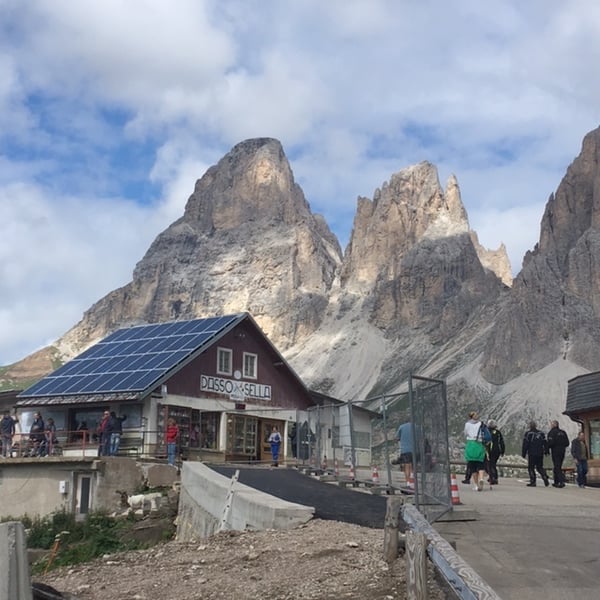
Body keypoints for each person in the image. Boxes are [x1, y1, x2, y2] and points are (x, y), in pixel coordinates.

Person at [464, 412, 487, 491]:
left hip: (471, 443)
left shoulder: (467, 424)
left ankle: (476, 484)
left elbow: (465, 433)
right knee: (480, 464)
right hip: (479, 444)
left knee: (472, 465)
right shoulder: (481, 424)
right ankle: (481, 478)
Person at [522, 421, 549, 487]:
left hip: (532, 453)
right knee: (540, 467)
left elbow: (525, 444)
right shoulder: (541, 433)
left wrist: (524, 453)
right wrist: (546, 451)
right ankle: (544, 476)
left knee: (531, 467)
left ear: (530, 426)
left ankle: (533, 481)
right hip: (540, 453)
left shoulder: (528, 434)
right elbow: (545, 442)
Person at [547, 420, 570, 487]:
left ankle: (561, 481)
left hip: (555, 451)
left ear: (554, 425)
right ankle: (556, 481)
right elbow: (567, 443)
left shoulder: (552, 432)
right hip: (562, 451)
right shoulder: (563, 432)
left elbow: (551, 443)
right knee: (558, 466)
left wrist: (547, 448)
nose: (550, 426)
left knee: (557, 466)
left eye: (551, 424)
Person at [486, 420, 505, 485]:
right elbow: (501, 442)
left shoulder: (487, 432)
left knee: (489, 464)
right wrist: (502, 451)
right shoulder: (498, 432)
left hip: (490, 450)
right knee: (493, 464)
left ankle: (492, 477)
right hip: (497, 451)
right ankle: (494, 477)